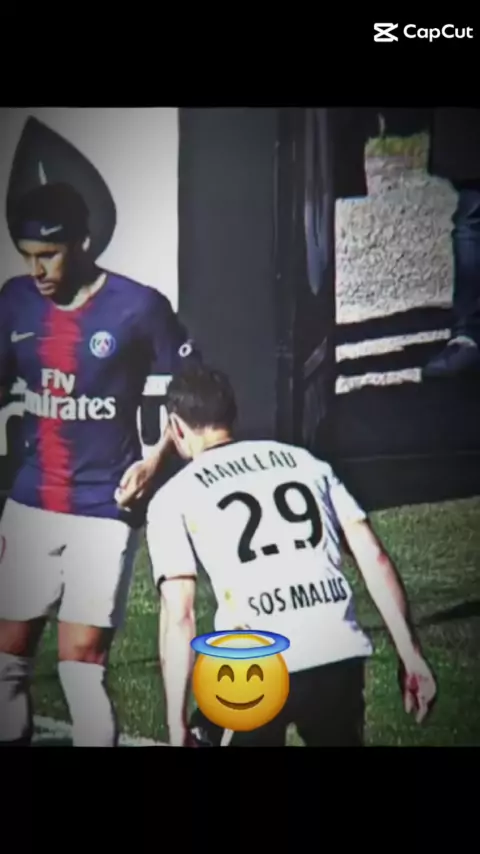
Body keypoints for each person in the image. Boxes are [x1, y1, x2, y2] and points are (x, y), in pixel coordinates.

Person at [0, 182, 199, 747]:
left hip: (104, 509)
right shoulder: (13, 302)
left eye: (49, 255)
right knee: (6, 662)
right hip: (30, 502)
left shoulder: (139, 307)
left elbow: (192, 394)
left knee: (81, 666)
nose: (37, 270)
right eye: (27, 256)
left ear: (83, 243)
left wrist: (154, 461)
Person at [146, 364, 437, 747]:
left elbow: (180, 614)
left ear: (176, 427)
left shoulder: (174, 495)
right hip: (337, 649)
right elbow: (373, 557)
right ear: (232, 415)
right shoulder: (307, 462)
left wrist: (175, 722)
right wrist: (410, 654)